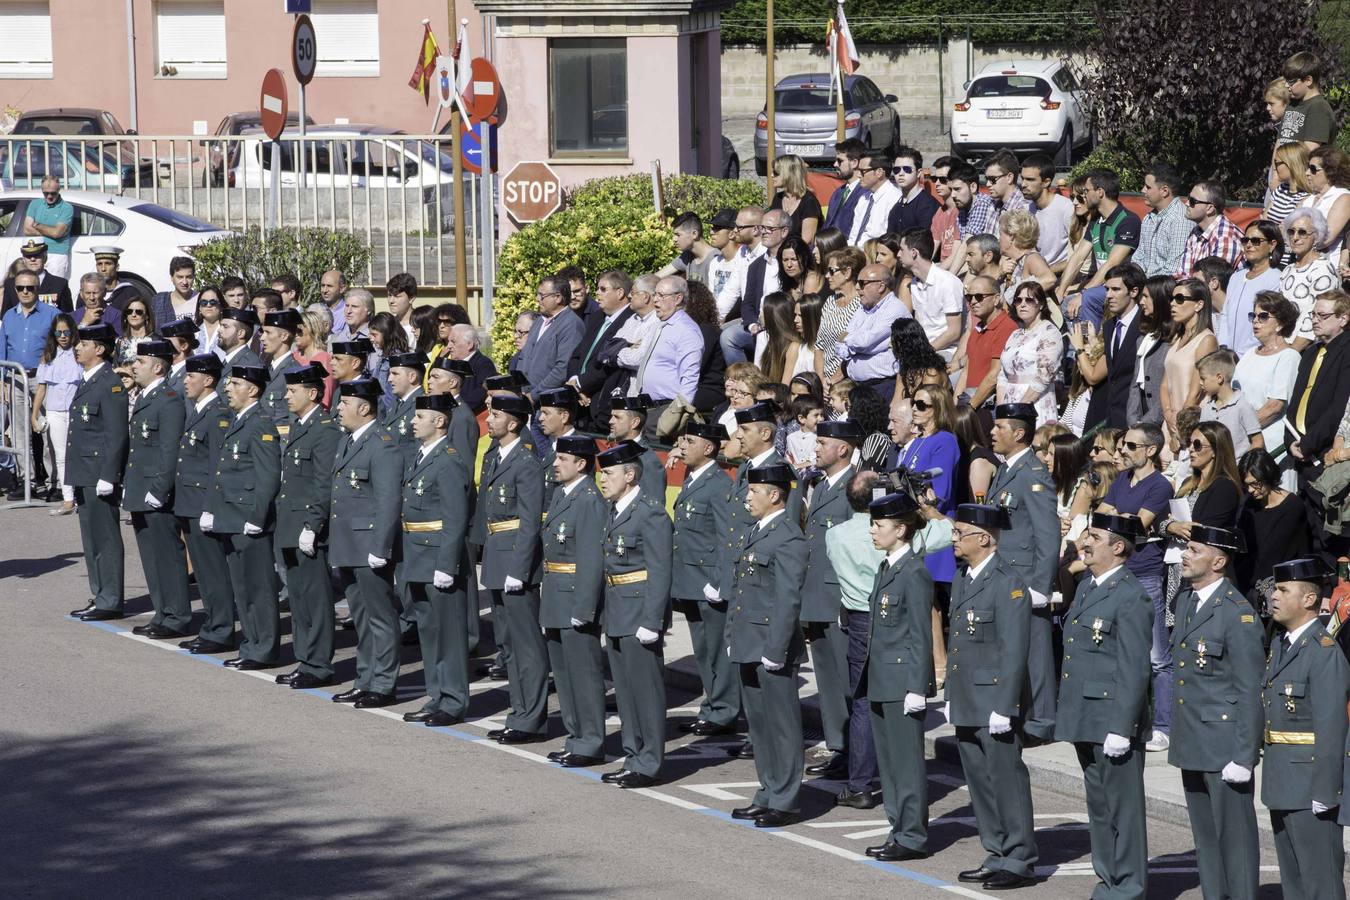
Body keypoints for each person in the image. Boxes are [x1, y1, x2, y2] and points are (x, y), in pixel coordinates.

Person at [1056, 513, 1154, 900]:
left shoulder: (1131, 595)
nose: (1085, 541)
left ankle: (1128, 886)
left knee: (1123, 810)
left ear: (1118, 547)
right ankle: (1108, 879)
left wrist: (1122, 725)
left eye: (1094, 535)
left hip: (1113, 719)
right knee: (1099, 807)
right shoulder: (1087, 586)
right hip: (1085, 713)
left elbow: (1134, 668)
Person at [1165, 522, 1265, 899]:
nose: (1184, 555)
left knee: (1235, 839)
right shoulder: (1189, 601)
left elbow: (1249, 689)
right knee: (1206, 837)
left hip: (1224, 743)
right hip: (1194, 738)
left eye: (1194, 550)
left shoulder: (1237, 614)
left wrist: (1244, 754)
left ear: (1219, 561)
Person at [946, 503, 1038, 889]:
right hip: (967, 695)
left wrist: (1006, 705)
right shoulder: (963, 578)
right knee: (980, 781)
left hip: (994, 700)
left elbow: (1014, 649)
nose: (953, 539)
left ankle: (1018, 858)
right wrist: (951, 692)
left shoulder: (1007, 581)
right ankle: (996, 849)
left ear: (983, 538)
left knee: (1005, 780)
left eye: (959, 533)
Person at [721, 463, 807, 828]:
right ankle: (768, 790)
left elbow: (787, 600)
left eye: (754, 491)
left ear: (775, 496)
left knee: (782, 726)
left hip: (771, 645)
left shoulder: (788, 538)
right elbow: (742, 591)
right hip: (748, 639)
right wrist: (731, 636)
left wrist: (776, 648)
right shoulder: (757, 531)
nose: (747, 497)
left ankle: (785, 798)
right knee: (759, 725)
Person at [1261, 557, 1350, 900]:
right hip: (1283, 780)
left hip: (1310, 783)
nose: (1274, 596)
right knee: (1294, 882)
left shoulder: (1322, 651)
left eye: (1283, 589)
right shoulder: (1283, 645)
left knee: (1320, 883)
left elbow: (1332, 726)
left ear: (1309, 599)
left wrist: (1327, 791)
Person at [858, 491, 933, 861]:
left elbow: (920, 633)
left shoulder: (914, 572)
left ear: (900, 530)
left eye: (880, 525)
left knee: (906, 765)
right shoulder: (888, 566)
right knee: (889, 766)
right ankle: (898, 829)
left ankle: (912, 836)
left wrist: (917, 688)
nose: (873, 531)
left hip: (901, 682)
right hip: (882, 680)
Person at [595, 441, 673, 788]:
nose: (602, 480)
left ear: (629, 474)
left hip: (639, 611)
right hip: (618, 609)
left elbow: (659, 569)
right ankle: (634, 755)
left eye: (608, 473)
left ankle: (650, 761)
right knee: (625, 692)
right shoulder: (616, 509)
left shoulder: (650, 511)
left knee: (646, 692)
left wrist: (652, 620)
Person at [473, 394, 548, 741]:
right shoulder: (496, 457)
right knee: (510, 645)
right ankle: (519, 712)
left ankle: (531, 718)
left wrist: (519, 569)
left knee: (526, 645)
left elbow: (530, 521)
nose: (490, 419)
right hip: (496, 556)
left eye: (497, 415)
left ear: (514, 423)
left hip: (515, 561)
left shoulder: (526, 462)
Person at [397, 394, 473, 725]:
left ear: (439, 421)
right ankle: (437, 694)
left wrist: (447, 564)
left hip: (438, 557)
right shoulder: (421, 455)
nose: (413, 421)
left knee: (449, 634)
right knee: (429, 631)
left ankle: (454, 700)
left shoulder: (449, 460)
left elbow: (455, 518)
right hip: (417, 554)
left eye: (421, 416)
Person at [1099, 422, 1175, 751]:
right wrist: (1118, 517)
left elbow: (1136, 525)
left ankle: (1163, 725)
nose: (1123, 451)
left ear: (1150, 451)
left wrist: (1118, 517)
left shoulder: (1160, 485)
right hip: (1117, 572)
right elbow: (1100, 516)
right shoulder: (1120, 480)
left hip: (1145, 573)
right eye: (1122, 446)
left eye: (1131, 446)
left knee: (1158, 656)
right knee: (1118, 650)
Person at [986, 403, 1059, 743]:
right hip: (1003, 574)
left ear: (1019, 433)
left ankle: (1041, 722)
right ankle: (1020, 712)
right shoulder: (1004, 470)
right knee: (1011, 648)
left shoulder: (1032, 472)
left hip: (1025, 577)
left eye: (999, 426)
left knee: (1035, 651)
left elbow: (1048, 532)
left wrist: (1041, 586)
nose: (992, 432)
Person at [327, 378, 402, 706]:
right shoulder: (348, 440)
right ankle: (365, 678)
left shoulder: (382, 443)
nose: (339, 408)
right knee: (361, 618)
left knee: (380, 618)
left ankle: (383, 684)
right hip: (347, 544)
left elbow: (388, 500)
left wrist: (381, 547)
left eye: (344, 403)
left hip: (369, 545)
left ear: (364, 407)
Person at [203, 363, 282, 670]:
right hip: (231, 515)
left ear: (253, 389)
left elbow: (268, 475)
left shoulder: (260, 422)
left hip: (249, 517)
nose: (228, 389)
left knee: (258, 588)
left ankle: (263, 648)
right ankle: (251, 644)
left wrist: (258, 516)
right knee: (243, 587)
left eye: (235, 384)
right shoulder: (239, 420)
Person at [797, 419, 864, 780]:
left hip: (840, 597)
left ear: (844, 448)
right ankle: (839, 746)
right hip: (817, 596)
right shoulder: (821, 487)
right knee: (827, 681)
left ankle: (856, 750)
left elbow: (863, 546)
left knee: (846, 679)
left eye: (822, 442)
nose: (816, 448)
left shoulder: (858, 487)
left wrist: (849, 601)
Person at [272, 363, 342, 689]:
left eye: (293, 391)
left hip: (307, 528)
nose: (286, 396)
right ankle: (306, 660)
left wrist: (313, 525)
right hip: (290, 523)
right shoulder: (301, 425)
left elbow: (323, 483)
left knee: (315, 599)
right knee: (298, 599)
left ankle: (319, 665)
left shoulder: (325, 429)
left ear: (312, 393)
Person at [670, 423, 738, 738]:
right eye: (682, 440)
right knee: (702, 650)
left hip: (708, 580)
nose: (682, 446)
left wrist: (720, 582)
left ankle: (723, 711)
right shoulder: (694, 479)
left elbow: (727, 538)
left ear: (708, 448)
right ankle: (713, 706)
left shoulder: (717, 485)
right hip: (690, 579)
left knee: (715, 651)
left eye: (690, 441)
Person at [123, 338, 190, 638]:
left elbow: (169, 449)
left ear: (158, 366)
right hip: (141, 489)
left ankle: (176, 616)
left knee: (167, 555)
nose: (135, 366)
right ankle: (163, 613)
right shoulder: (148, 396)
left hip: (156, 492)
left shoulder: (169, 399)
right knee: (151, 557)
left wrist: (160, 489)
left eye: (141, 362)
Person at [64, 324, 128, 621]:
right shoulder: (90, 381)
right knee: (91, 539)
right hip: (84, 471)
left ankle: (110, 598)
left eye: (83, 343)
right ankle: (100, 593)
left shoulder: (109, 383)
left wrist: (109, 474)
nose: (77, 347)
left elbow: (116, 435)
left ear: (99, 349)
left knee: (105, 539)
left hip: (98, 473)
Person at [173, 353, 236, 654]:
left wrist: (211, 507)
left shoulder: (216, 414)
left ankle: (221, 630)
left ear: (208, 380)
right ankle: (212, 626)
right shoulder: (198, 410)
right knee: (203, 570)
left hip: (202, 504)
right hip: (190, 501)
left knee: (212, 572)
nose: (186, 381)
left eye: (191, 376)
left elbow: (216, 466)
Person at [900, 387, 959, 682]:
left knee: (929, 598)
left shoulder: (945, 440)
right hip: (911, 523)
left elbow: (941, 489)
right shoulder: (914, 442)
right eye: (914, 402)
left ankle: (940, 662)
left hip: (931, 524)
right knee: (920, 598)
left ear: (937, 408)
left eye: (922, 404)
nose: (915, 408)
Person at [1059, 168, 1141, 327]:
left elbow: (1112, 263)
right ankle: (1075, 347)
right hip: (1099, 285)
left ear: (1100, 192)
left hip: (1120, 286)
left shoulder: (1128, 220)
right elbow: (1078, 258)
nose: (1083, 195)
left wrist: (1083, 293)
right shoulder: (1097, 221)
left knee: (1082, 302)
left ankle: (1091, 345)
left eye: (1086, 191)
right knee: (1060, 301)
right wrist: (1060, 290)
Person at [1287, 290, 1350, 482]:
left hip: (1324, 453)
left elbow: (1338, 407)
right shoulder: (1311, 352)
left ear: (1343, 319)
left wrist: (1309, 444)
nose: (1315, 320)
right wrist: (1290, 441)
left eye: (1322, 316)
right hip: (1300, 451)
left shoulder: (1346, 350)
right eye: (1313, 315)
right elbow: (1296, 400)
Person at [1235, 449, 1308, 605]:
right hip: (1247, 588)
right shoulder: (1249, 505)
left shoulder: (1292, 507)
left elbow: (1295, 551)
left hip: (1277, 590)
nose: (1251, 490)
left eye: (1255, 483)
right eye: (1247, 485)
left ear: (1267, 475)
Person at [834, 263, 907, 404]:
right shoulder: (863, 308)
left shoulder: (895, 310)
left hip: (883, 387)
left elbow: (864, 342)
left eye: (862, 283)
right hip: (858, 387)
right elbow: (841, 349)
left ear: (881, 286)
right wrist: (858, 345)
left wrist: (851, 342)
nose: (857, 287)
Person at [1161, 277, 1218, 443]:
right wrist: (1168, 414)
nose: (1172, 304)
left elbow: (1195, 392)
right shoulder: (1177, 338)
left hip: (1189, 425)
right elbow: (1165, 384)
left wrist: (1179, 430)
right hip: (1171, 420)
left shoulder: (1206, 340)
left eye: (1180, 299)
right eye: (1172, 299)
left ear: (1199, 305)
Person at [997, 281, 1062, 426]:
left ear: (1041, 305)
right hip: (1009, 402)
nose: (1023, 304)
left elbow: (1044, 376)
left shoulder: (1049, 332)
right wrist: (1001, 409)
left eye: (1029, 299)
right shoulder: (1015, 334)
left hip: (1034, 403)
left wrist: (1020, 409)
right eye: (1018, 300)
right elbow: (1003, 374)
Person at [32, 314, 79, 510]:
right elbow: (41, 388)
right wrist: (34, 415)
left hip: (77, 412)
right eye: (58, 332)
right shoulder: (47, 357)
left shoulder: (80, 353)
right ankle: (68, 498)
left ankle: (82, 495)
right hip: (55, 412)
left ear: (72, 332)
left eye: (66, 332)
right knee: (60, 455)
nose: (62, 336)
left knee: (78, 454)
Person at [1217, 220, 1284, 355]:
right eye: (1245, 240)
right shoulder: (1236, 277)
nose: (1248, 245)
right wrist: (1223, 347)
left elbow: (1266, 323)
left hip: (1253, 356)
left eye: (1255, 241)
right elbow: (1225, 315)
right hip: (1227, 357)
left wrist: (1242, 355)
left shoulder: (1276, 278)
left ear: (1272, 245)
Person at [898, 228, 963, 363]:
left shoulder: (948, 282)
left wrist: (926, 351)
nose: (898, 254)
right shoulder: (915, 283)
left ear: (914, 253)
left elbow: (954, 332)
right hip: (924, 350)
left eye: (901, 249)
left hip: (947, 352)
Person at [953, 276, 1016, 412]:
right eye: (969, 298)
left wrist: (970, 407)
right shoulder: (978, 328)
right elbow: (966, 371)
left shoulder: (1007, 328)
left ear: (996, 299)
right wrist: (954, 409)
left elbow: (994, 376)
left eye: (979, 297)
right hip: (970, 403)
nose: (973, 302)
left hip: (987, 406)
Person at [1279, 207, 1339, 348]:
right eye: (1291, 231)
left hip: (1307, 350)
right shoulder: (1288, 270)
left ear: (1316, 236)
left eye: (1302, 232)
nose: (1295, 237)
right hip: (1282, 346)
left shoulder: (1322, 270)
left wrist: (1291, 353)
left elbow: (1317, 319)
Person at [1196, 350, 1263, 457]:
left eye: (1203, 378)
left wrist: (1243, 467)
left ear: (1219, 378)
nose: (1200, 382)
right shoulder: (1207, 408)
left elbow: (1257, 441)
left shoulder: (1242, 406)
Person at [817, 247, 865, 383]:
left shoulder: (861, 305)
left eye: (832, 271)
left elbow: (854, 351)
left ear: (847, 272)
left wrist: (833, 381)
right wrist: (821, 380)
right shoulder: (829, 301)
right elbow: (819, 346)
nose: (827, 275)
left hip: (847, 381)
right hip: (824, 381)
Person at [1135, 161, 1190, 278]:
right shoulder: (1149, 217)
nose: (1143, 190)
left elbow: (1172, 271)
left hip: (1162, 290)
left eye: (1148, 187)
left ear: (1164, 191)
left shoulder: (1180, 220)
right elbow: (1138, 257)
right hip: (1143, 285)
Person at [1176, 180, 1243, 275]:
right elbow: (1184, 274)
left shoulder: (1224, 238)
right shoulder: (1196, 232)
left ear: (1210, 209)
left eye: (1192, 201)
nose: (1186, 203)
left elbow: (1212, 283)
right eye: (1188, 198)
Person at [1019, 153, 1073, 268]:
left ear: (1046, 182)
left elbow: (1079, 253)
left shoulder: (1065, 207)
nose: (1023, 184)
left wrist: (1048, 272)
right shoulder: (1027, 209)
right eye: (1022, 178)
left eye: (1030, 180)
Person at [1299, 145, 1350, 258]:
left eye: (1313, 169)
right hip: (1301, 262)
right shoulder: (1307, 199)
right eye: (1307, 167)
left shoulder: (1343, 197)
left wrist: (1296, 237)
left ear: (1330, 172)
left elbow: (1325, 238)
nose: (1307, 172)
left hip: (1326, 267)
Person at [1281, 51, 1338, 150]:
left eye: (1291, 82)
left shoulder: (1318, 108)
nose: (1286, 85)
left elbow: (1310, 151)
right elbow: (1280, 140)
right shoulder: (1292, 104)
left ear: (1308, 80)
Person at [996, 210, 1056, 302]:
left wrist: (1017, 296)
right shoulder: (1017, 261)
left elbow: (1050, 279)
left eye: (1001, 234)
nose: (998, 240)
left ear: (1011, 236)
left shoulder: (1031, 258)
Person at [1, 239, 71, 315]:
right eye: (28, 256)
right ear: (24, 259)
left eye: (37, 255)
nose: (32, 259)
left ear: (45, 257)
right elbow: (6, 316)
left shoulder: (60, 284)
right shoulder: (11, 284)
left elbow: (68, 316)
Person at [846, 153, 901, 248]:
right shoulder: (864, 198)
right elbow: (854, 235)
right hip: (855, 254)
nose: (858, 175)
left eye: (862, 171)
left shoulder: (895, 199)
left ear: (879, 172)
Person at [23, 176, 74, 277]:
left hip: (56, 254)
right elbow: (27, 229)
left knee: (54, 289)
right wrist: (50, 231)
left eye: (53, 193)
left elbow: (57, 233)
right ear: (42, 190)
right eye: (46, 193)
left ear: (59, 190)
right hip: (35, 253)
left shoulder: (66, 208)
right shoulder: (35, 204)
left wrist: (37, 225)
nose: (49, 196)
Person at [258, 309, 302, 425]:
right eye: (263, 332)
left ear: (284, 336)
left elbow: (294, 418)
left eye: (268, 332)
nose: (262, 338)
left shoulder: (294, 372)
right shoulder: (267, 368)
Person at [769, 154, 821, 244]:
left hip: (798, 253)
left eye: (776, 172)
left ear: (789, 174)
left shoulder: (809, 201)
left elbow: (806, 241)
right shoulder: (778, 198)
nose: (771, 175)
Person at [886, 146, 939, 235]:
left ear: (919, 173)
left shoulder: (927, 205)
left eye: (907, 169)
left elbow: (922, 242)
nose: (901, 174)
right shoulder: (896, 207)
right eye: (896, 170)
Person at [1266, 143, 1312, 243]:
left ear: (1291, 164)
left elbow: (1290, 232)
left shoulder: (1306, 197)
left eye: (1277, 163)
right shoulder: (1280, 189)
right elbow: (1263, 221)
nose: (1275, 167)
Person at [825, 138, 868, 238]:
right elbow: (827, 225)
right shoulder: (837, 193)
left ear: (854, 163)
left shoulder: (865, 194)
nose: (835, 164)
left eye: (840, 161)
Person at [292, 309, 335, 409]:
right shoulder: (293, 356)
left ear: (313, 330)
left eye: (299, 330)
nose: (295, 334)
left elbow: (326, 398)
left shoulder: (324, 359)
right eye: (294, 330)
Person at [216, 307, 263, 392]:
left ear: (240, 333)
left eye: (225, 327)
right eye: (220, 326)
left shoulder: (250, 364)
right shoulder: (226, 360)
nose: (219, 330)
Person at [929, 156, 962, 264]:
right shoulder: (939, 213)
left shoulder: (962, 211)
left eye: (943, 180)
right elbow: (933, 246)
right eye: (934, 179)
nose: (937, 183)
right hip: (943, 265)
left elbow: (959, 255)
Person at [150, 256, 197, 326]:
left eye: (188, 277)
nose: (184, 282)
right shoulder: (159, 301)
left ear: (193, 277)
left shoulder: (202, 300)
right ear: (172, 278)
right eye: (180, 277)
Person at [777, 235, 824, 299]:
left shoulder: (811, 279)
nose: (789, 265)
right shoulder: (789, 281)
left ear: (804, 258)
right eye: (785, 260)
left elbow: (807, 308)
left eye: (794, 259)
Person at [112, 298, 155, 368]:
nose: (133, 315)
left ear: (147, 316)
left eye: (139, 312)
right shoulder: (120, 342)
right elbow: (116, 367)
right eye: (129, 311)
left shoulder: (156, 341)